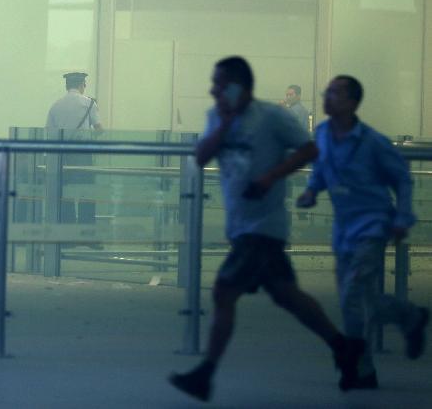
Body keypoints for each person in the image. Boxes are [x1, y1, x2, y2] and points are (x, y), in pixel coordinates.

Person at [169, 56, 363, 402]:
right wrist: (224, 126)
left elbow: (308, 149)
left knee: (223, 293)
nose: (213, 89)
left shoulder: (272, 117)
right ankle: (344, 347)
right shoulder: (217, 117)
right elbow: (200, 156)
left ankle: (206, 374)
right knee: (288, 296)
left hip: (262, 226)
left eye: (219, 83)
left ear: (238, 86)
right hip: (241, 224)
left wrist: (272, 176)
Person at [296, 75, 429, 390]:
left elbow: (402, 179)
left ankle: (355, 367)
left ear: (353, 103)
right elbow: (322, 169)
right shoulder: (325, 133)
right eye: (327, 92)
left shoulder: (372, 142)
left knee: (354, 295)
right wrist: (312, 191)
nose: (327, 97)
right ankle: (408, 318)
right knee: (355, 300)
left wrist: (403, 217)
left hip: (372, 226)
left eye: (335, 93)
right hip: (344, 230)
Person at [45, 71, 103, 224]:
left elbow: (50, 133)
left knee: (65, 194)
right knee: (87, 193)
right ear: (81, 85)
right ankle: (86, 232)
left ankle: (67, 232)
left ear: (67, 86)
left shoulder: (55, 106)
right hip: (83, 155)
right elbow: (99, 130)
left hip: (62, 156)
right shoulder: (89, 103)